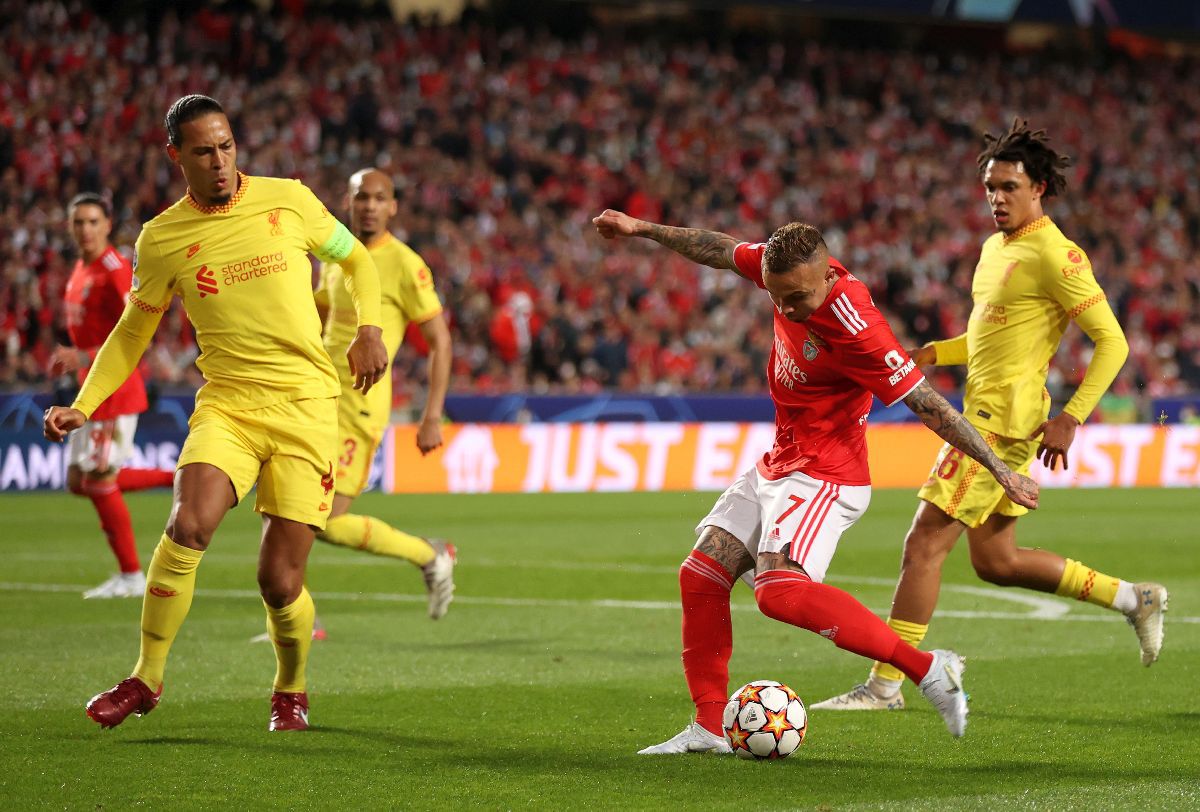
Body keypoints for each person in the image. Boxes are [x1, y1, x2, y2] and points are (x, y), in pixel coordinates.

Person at [593, 209, 1041, 751]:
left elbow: (929, 405)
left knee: (778, 593)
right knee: (701, 575)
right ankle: (708, 728)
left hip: (827, 471)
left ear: (828, 274)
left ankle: (927, 667)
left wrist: (1000, 469)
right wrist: (642, 230)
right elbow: (716, 247)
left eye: (798, 298)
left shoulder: (857, 328)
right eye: (777, 296)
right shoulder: (780, 267)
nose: (786, 308)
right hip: (782, 459)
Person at [43, 94, 388, 732]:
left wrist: (369, 328)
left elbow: (356, 258)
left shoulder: (289, 198)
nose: (221, 161)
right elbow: (130, 333)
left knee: (279, 583)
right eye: (204, 151)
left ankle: (291, 686)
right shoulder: (162, 238)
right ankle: (146, 677)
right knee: (188, 523)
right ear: (177, 156)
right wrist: (83, 405)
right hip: (228, 403)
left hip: (307, 405)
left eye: (226, 146)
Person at [812, 120, 1167, 713]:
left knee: (922, 546)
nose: (996, 199)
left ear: (1039, 190)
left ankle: (885, 685)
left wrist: (1074, 416)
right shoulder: (996, 249)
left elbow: (1114, 343)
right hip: (988, 413)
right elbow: (990, 338)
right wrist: (936, 354)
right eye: (989, 188)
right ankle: (1135, 599)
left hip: (998, 426)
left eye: (1007, 187)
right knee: (997, 563)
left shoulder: (1057, 255)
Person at [311, 168, 456, 619]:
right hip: (314, 398)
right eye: (361, 198)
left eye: (379, 198)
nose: (369, 206)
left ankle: (429, 556)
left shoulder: (405, 263)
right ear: (348, 201)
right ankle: (288, 623)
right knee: (287, 509)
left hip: (359, 406)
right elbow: (319, 318)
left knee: (327, 520)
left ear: (392, 206)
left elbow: (440, 341)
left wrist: (432, 415)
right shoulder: (332, 254)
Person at [52, 192, 174, 599]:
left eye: (92, 222)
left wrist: (83, 355)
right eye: (78, 223)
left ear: (107, 225)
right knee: (78, 481)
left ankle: (131, 575)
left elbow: (135, 330)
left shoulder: (115, 269)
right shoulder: (80, 268)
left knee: (99, 478)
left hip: (114, 388)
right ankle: (179, 479)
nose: (85, 229)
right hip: (88, 388)